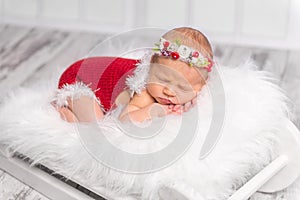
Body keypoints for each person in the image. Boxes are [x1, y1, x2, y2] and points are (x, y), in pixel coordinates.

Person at [52, 27, 214, 123]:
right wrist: (154, 109)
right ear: (151, 67)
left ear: (201, 86)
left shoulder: (197, 85)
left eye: (181, 87)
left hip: (92, 74)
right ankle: (65, 111)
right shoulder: (144, 90)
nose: (169, 92)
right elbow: (124, 120)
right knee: (96, 127)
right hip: (80, 79)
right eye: (163, 80)